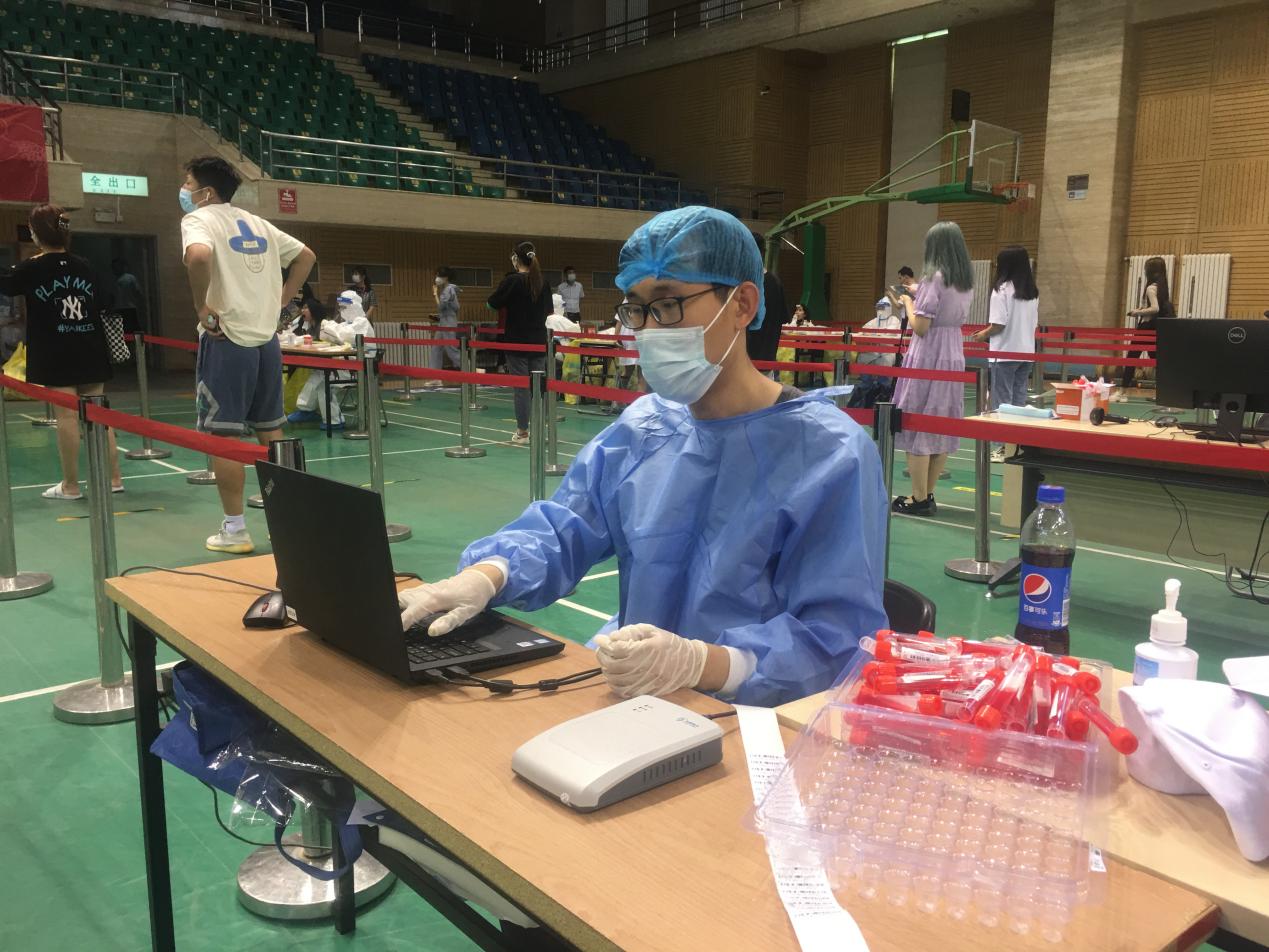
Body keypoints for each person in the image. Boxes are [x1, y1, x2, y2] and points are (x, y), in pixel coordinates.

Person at [397, 206, 887, 707]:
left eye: (668, 304)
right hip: (634, 698)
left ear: (741, 305)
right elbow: (564, 528)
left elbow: (837, 639)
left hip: (749, 721)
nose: (650, 329)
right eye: (637, 308)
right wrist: (484, 576)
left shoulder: (827, 454)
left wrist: (701, 663)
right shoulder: (647, 428)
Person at [181, 155, 316, 553]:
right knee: (272, 431)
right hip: (266, 341)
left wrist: (201, 307)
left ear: (206, 192)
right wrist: (282, 299)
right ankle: (288, 523)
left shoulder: (199, 219)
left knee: (225, 436)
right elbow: (306, 256)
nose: (185, 190)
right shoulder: (257, 223)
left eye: (188, 183)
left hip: (227, 340)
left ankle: (235, 529)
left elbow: (198, 256)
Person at [1, 205, 123, 499]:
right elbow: (105, 299)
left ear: (36, 233)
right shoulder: (85, 265)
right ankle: (114, 479)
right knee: (98, 415)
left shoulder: (31, 268)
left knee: (67, 417)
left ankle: (70, 486)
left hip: (56, 352)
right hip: (91, 348)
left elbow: (6, 284)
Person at [892, 221, 973, 516]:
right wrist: (918, 291)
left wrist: (907, 302)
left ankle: (917, 497)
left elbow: (921, 327)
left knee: (916, 422)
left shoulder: (932, 279)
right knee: (940, 423)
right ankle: (927, 494)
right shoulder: (964, 280)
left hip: (928, 354)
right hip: (953, 352)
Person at [970, 246, 1040, 461]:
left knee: (1001, 401)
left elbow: (998, 324)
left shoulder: (1001, 290)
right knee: (1019, 399)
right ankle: (1016, 445)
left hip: (1004, 352)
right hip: (1026, 352)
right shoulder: (1031, 292)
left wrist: (982, 335)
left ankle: (1001, 446)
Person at [487, 241, 549, 445]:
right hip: (539, 342)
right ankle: (540, 429)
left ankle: (523, 432)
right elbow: (549, 310)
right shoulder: (543, 282)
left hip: (516, 342)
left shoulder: (512, 281)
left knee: (521, 388)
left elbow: (491, 304)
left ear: (516, 259)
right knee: (538, 388)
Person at [288, 292, 370, 430]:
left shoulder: (362, 323)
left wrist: (328, 327)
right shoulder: (346, 323)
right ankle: (306, 409)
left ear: (355, 306)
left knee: (324, 384)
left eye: (345, 307)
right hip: (346, 365)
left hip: (360, 368)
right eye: (341, 307)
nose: (342, 310)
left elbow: (345, 336)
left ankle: (335, 421)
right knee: (317, 374)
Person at [1119, 255, 1174, 398]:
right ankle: (1163, 393)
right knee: (1157, 360)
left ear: (1151, 271)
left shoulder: (1150, 288)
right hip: (1156, 328)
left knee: (1132, 357)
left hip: (1146, 328)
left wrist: (1137, 312)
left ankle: (1122, 391)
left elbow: (1155, 308)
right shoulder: (1162, 288)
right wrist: (1142, 309)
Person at [432, 266, 460, 369]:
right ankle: (435, 374)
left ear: (446, 278)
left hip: (448, 323)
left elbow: (441, 307)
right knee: (436, 348)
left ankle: (470, 369)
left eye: (439, 276)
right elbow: (455, 307)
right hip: (444, 321)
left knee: (451, 350)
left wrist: (435, 294)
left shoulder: (448, 290)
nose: (437, 278)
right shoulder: (449, 289)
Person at [111, 258, 145, 334]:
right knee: (130, 331)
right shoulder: (126, 278)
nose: (115, 269)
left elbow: (138, 293)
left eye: (117, 267)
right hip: (125, 308)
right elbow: (138, 292)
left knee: (127, 331)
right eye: (114, 267)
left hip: (126, 309)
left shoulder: (128, 278)